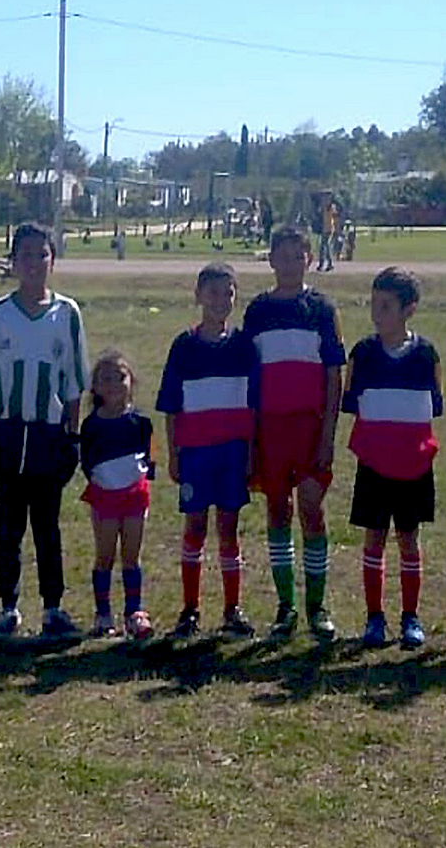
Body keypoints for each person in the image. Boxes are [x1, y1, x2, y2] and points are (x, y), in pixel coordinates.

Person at [0, 222, 90, 637]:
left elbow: (73, 382)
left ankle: (53, 607)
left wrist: (72, 437)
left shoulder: (67, 314)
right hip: (7, 435)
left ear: (52, 260)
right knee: (8, 528)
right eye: (26, 255)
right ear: (13, 262)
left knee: (48, 528)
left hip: (48, 436)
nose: (34, 263)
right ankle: (8, 607)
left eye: (42, 254)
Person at [244, 226, 346, 640]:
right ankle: (285, 607)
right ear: (271, 260)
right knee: (277, 511)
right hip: (269, 428)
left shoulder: (321, 308)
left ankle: (316, 606)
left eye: (297, 255)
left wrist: (327, 435)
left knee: (311, 508)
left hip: (308, 426)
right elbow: (248, 378)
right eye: (281, 256)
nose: (289, 263)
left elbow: (334, 376)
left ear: (308, 258)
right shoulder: (257, 312)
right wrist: (250, 437)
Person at [155, 262, 259, 642]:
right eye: (212, 293)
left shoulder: (245, 346)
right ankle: (190, 608)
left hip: (232, 452)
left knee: (228, 529)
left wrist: (250, 451)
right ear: (198, 296)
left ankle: (232, 609)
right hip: (196, 452)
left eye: (228, 293)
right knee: (195, 527)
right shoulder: (184, 346)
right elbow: (170, 406)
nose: (220, 300)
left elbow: (253, 405)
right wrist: (174, 452)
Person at [343, 267, 443, 649]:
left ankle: (410, 617)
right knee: (373, 539)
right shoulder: (363, 354)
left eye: (386, 306)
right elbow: (353, 404)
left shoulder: (426, 354)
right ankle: (374, 617)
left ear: (409, 309)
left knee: (408, 539)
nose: (376, 313)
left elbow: (432, 405)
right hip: (373, 462)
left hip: (414, 463)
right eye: (374, 304)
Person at [78, 349, 155, 639]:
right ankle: (102, 614)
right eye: (105, 378)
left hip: (135, 496)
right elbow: (86, 460)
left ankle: (134, 613)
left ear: (131, 381)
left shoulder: (141, 422)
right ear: (95, 387)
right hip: (104, 498)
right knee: (105, 555)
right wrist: (105, 482)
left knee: (131, 556)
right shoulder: (92, 425)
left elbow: (151, 454)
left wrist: (142, 477)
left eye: (119, 377)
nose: (112, 384)